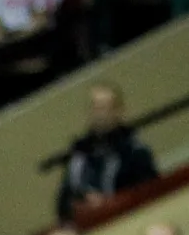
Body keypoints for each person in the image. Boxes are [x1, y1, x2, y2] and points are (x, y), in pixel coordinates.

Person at [56, 82, 157, 223]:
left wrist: (109, 203)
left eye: (104, 108)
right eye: (95, 108)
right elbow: (62, 205)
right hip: (87, 227)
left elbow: (150, 195)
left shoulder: (136, 152)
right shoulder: (78, 157)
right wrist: (82, 202)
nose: (99, 114)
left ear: (119, 111)